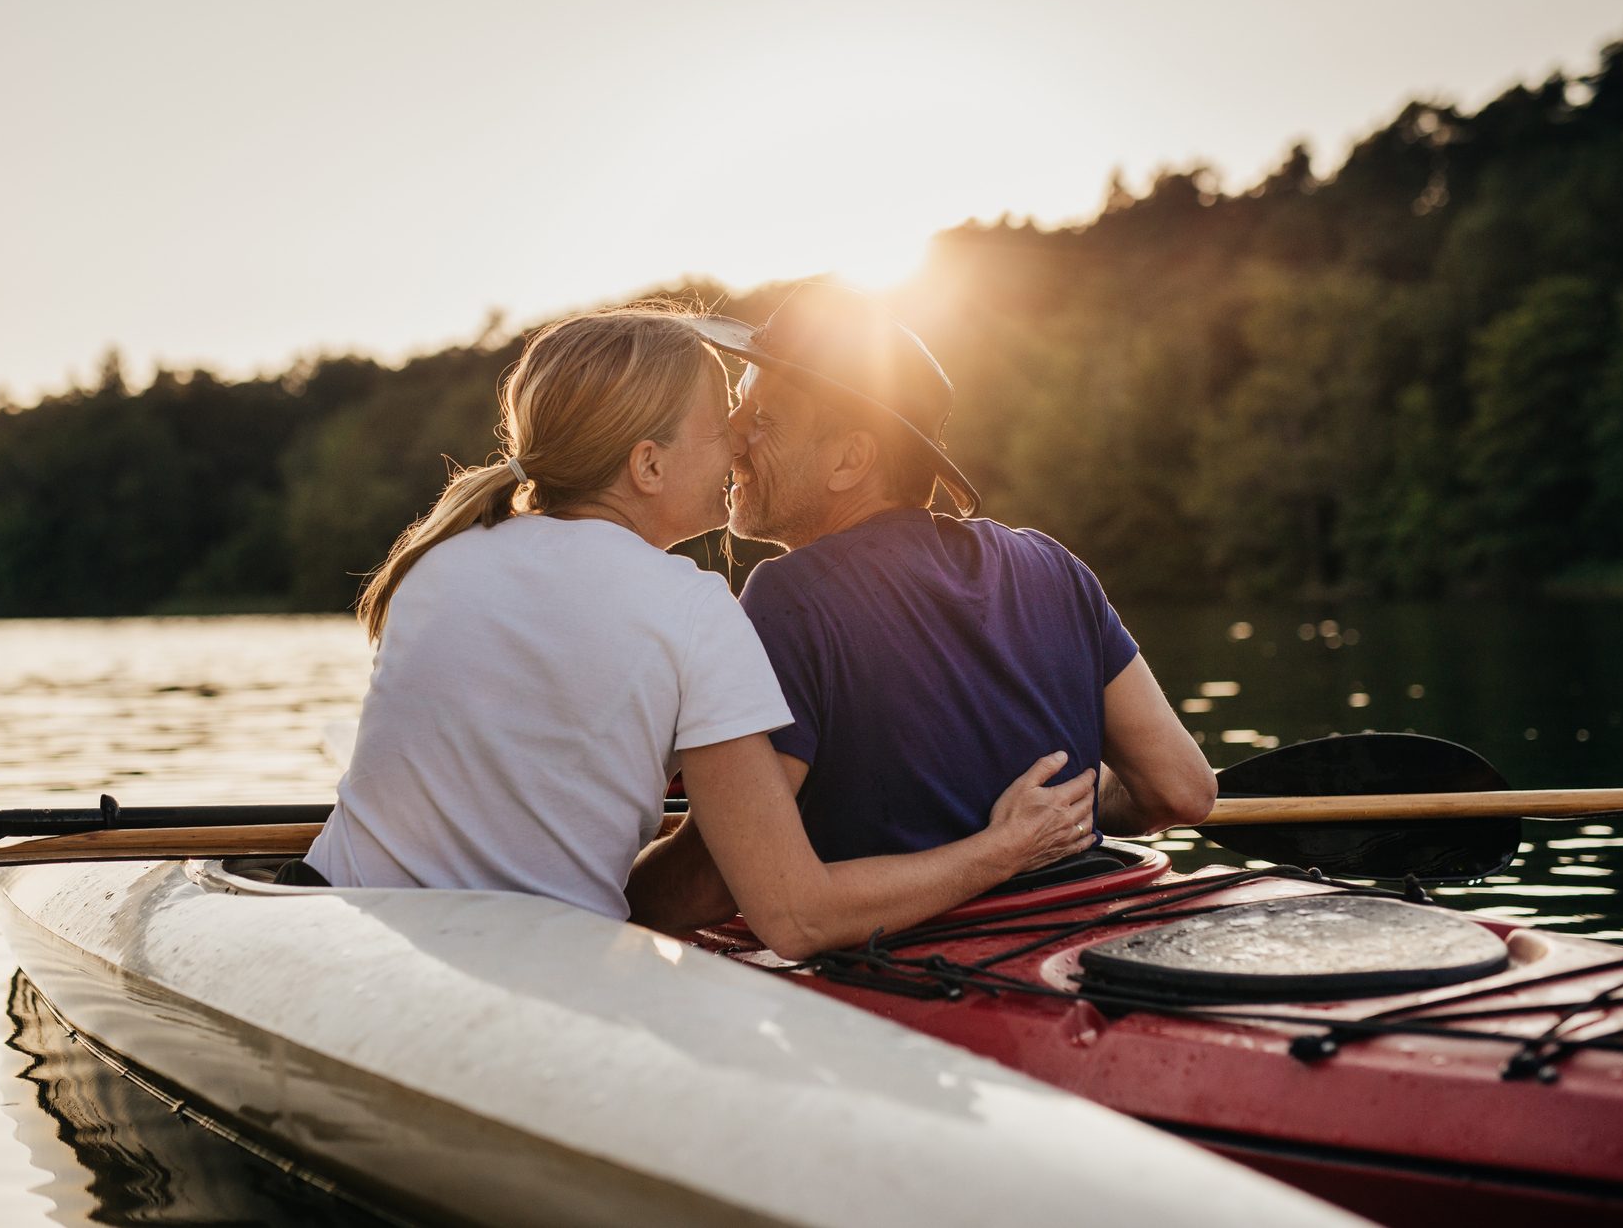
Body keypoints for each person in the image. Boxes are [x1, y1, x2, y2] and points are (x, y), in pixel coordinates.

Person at [304, 303, 1097, 959]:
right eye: (722, 423)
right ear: (648, 467)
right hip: (533, 970)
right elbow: (795, 915)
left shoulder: (440, 558)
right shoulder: (692, 607)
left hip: (333, 915)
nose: (741, 441)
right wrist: (1004, 848)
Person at [624, 284, 1216, 933]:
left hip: (919, 978)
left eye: (762, 419)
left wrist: (592, 896)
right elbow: (1180, 788)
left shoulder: (786, 597)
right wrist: (1068, 814)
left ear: (850, 458)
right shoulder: (1052, 564)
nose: (731, 438)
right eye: (738, 406)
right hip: (1082, 934)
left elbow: (707, 887)